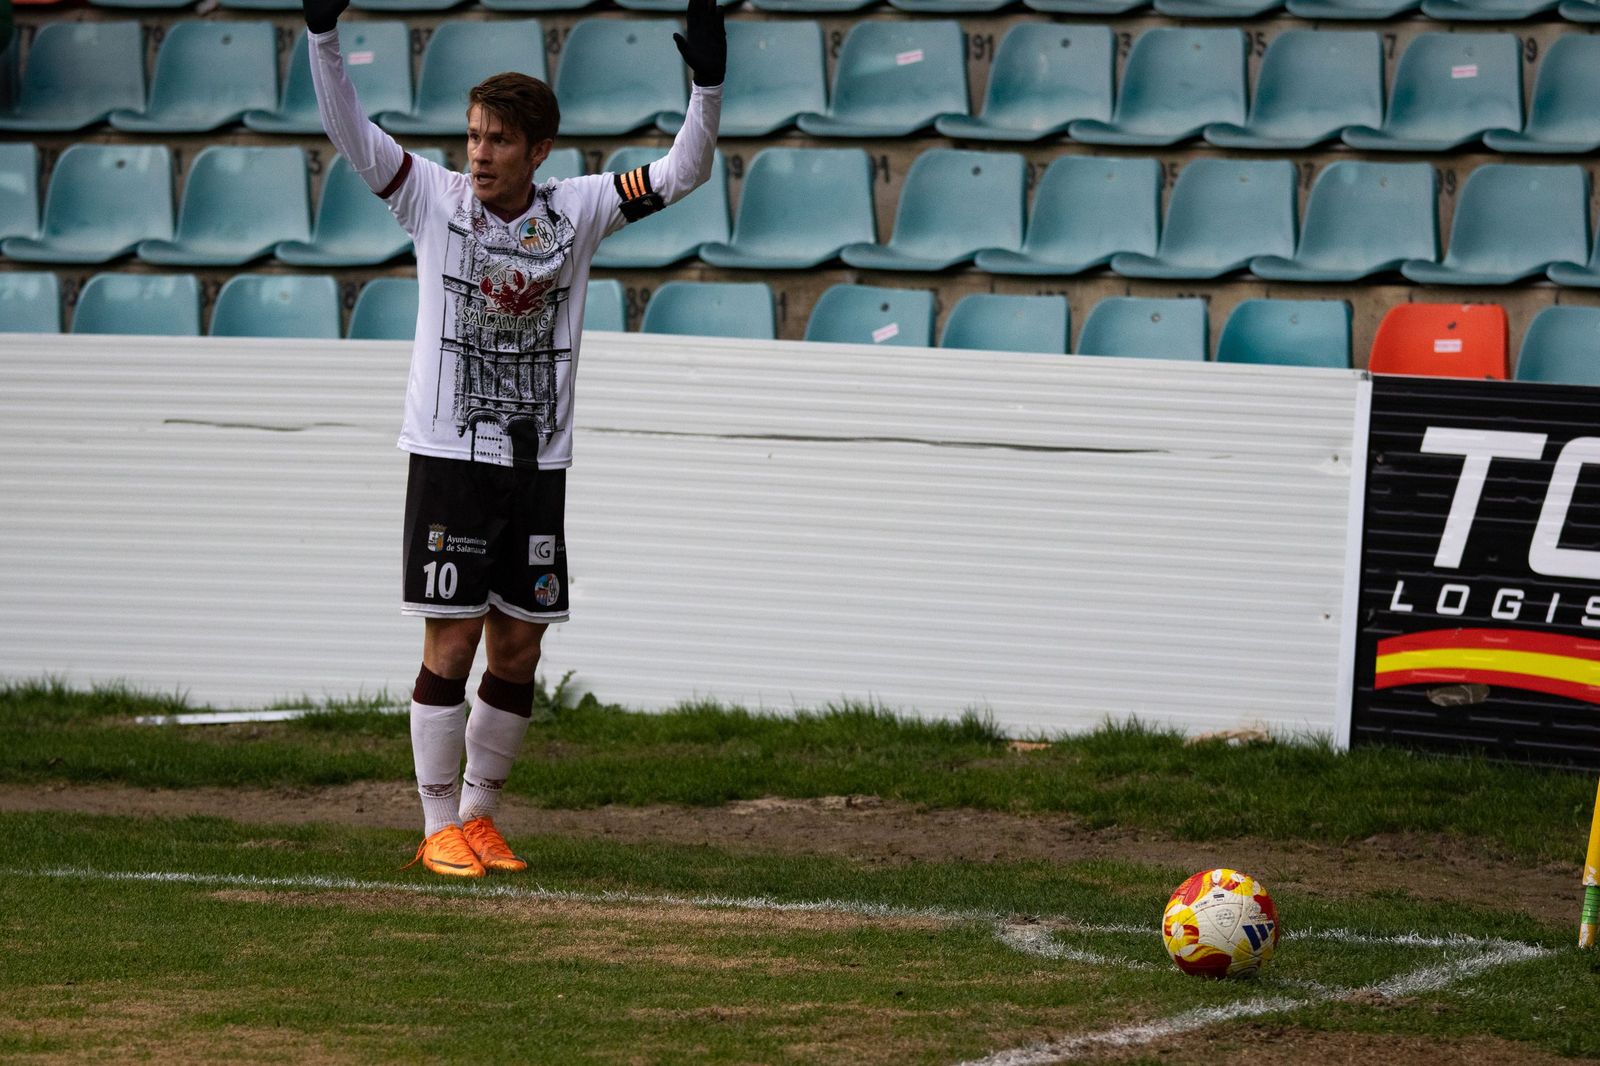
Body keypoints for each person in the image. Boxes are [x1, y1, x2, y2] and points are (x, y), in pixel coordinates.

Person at [301, 0, 724, 877]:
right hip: (450, 456)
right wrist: (322, 39)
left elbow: (682, 173)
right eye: (473, 136)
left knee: (521, 645)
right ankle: (435, 827)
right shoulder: (430, 197)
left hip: (538, 463)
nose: (480, 153)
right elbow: (349, 131)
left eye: (498, 140)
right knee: (451, 643)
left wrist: (707, 87)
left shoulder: (579, 209)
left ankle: (480, 818)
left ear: (539, 151)